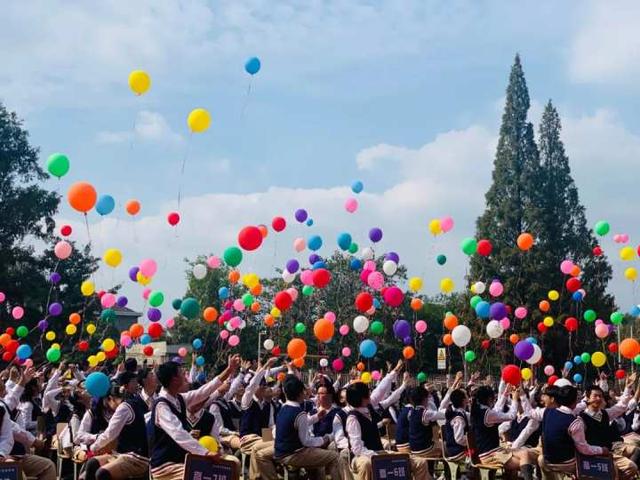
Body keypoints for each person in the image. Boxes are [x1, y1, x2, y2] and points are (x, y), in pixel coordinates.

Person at [148, 356, 241, 480]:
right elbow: (178, 433)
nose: (185, 376)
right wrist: (205, 452)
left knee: (225, 471)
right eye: (182, 373)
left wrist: (229, 370)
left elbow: (203, 391)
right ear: (174, 379)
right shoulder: (162, 406)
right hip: (165, 466)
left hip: (183, 461)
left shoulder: (178, 399)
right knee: (208, 474)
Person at [345, 381, 429, 480]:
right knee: (366, 464)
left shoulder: (369, 409)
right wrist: (377, 456)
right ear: (363, 397)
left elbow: (388, 398)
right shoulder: (353, 418)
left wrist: (382, 455)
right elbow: (357, 449)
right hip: (361, 457)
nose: (370, 393)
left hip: (380, 452)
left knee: (420, 462)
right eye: (368, 392)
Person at [268, 375, 344, 480]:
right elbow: (306, 441)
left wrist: (316, 417)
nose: (306, 394)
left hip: (281, 450)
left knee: (321, 457)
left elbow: (299, 424)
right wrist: (325, 439)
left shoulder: (285, 407)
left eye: (323, 393)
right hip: (292, 453)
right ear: (299, 394)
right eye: (303, 391)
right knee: (334, 457)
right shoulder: (299, 412)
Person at [83, 372, 150, 480]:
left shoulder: (124, 407)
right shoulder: (131, 403)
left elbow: (110, 433)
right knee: (92, 463)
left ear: (111, 399)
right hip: (121, 454)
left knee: (102, 473)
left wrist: (94, 447)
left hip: (136, 458)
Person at [534, 385, 606, 479]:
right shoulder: (575, 422)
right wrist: (601, 450)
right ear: (575, 401)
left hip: (547, 460)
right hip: (566, 463)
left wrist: (586, 402)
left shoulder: (548, 411)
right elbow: (584, 449)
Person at [578, 375, 639, 480]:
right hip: (594, 456)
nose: (598, 399)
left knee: (634, 458)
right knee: (628, 467)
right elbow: (581, 444)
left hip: (610, 450)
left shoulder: (605, 414)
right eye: (595, 396)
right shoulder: (581, 419)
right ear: (587, 398)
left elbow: (621, 406)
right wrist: (598, 450)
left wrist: (628, 388)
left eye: (600, 396)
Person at [469, 385, 535, 480]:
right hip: (490, 455)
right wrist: (515, 399)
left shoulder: (479, 410)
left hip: (491, 452)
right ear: (489, 399)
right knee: (524, 459)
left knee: (525, 454)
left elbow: (497, 410)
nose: (495, 400)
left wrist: (505, 393)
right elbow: (511, 415)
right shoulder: (487, 413)